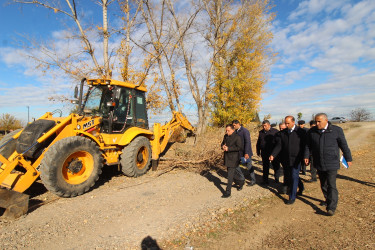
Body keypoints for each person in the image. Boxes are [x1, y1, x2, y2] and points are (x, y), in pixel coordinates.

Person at [304, 113, 352, 216]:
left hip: (332, 162)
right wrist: (306, 156)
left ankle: (331, 207)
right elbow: (308, 146)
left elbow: (344, 145)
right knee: (323, 184)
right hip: (319, 162)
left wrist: (348, 158)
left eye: (319, 121)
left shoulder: (336, 130)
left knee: (331, 184)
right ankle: (328, 199)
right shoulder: (312, 132)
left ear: (326, 120)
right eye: (316, 121)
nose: (317, 123)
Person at [270, 116, 306, 205]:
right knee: (293, 175)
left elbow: (305, 146)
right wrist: (273, 154)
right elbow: (279, 145)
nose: (286, 125)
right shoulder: (283, 133)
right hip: (286, 159)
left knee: (294, 176)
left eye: (288, 123)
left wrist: (306, 156)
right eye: (285, 123)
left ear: (293, 122)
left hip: (296, 159)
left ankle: (292, 197)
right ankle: (301, 187)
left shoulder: (301, 132)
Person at [221, 124, 246, 198]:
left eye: (228, 130)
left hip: (234, 158)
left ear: (233, 130)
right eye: (226, 130)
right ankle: (241, 182)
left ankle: (228, 192)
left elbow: (239, 147)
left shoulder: (237, 137)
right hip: (227, 157)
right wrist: (223, 146)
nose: (227, 132)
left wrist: (229, 149)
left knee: (230, 175)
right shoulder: (225, 136)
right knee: (232, 173)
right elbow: (222, 143)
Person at [232, 120, 255, 186]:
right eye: (233, 125)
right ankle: (241, 179)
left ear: (238, 124)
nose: (233, 126)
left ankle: (253, 180)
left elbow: (248, 142)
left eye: (234, 125)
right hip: (238, 153)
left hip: (245, 153)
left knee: (249, 166)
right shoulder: (235, 131)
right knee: (236, 165)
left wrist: (246, 153)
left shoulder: (245, 131)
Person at [256, 120, 279, 185]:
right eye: (263, 126)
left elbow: (278, 143)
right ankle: (265, 180)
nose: (264, 127)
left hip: (273, 152)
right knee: (265, 166)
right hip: (264, 152)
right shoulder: (261, 132)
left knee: (276, 165)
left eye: (265, 126)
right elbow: (258, 142)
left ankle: (276, 179)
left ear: (269, 125)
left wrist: (276, 152)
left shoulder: (275, 132)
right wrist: (258, 150)